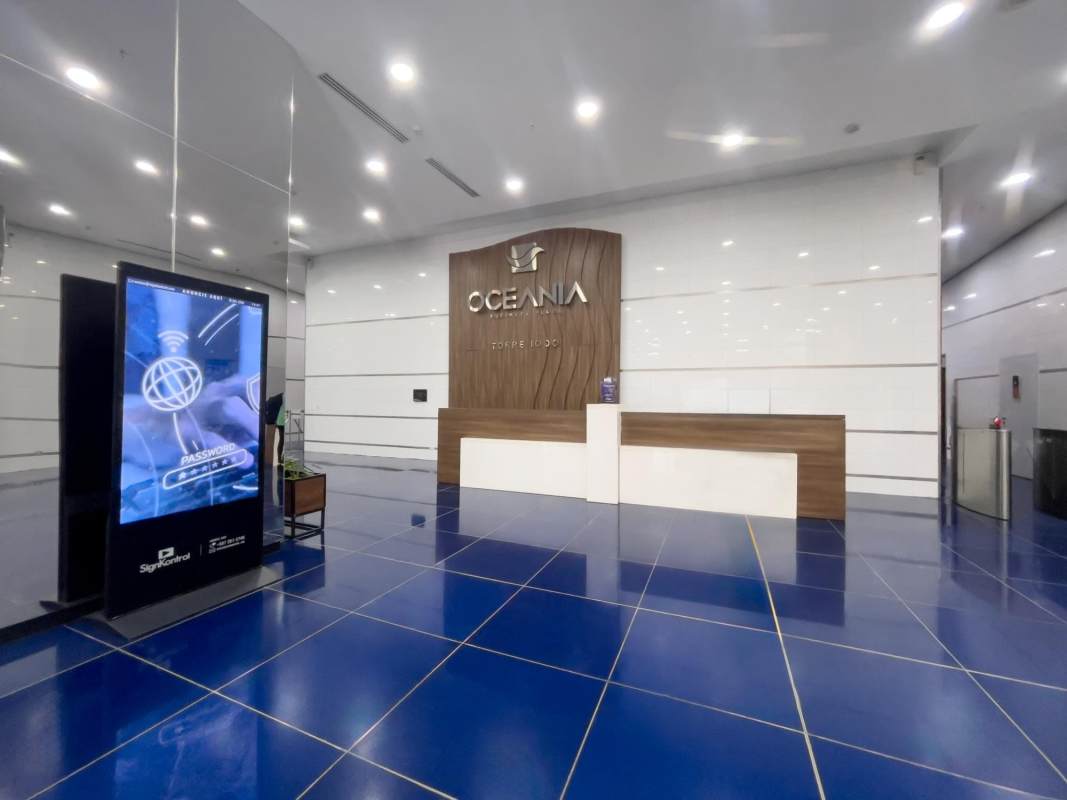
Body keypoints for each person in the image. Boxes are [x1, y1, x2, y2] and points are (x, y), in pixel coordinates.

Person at [264, 392, 285, 463]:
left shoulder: (282, 396)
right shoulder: (283, 397)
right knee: (282, 440)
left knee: (282, 440)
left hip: (281, 421)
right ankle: (280, 458)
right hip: (281, 422)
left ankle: (280, 458)